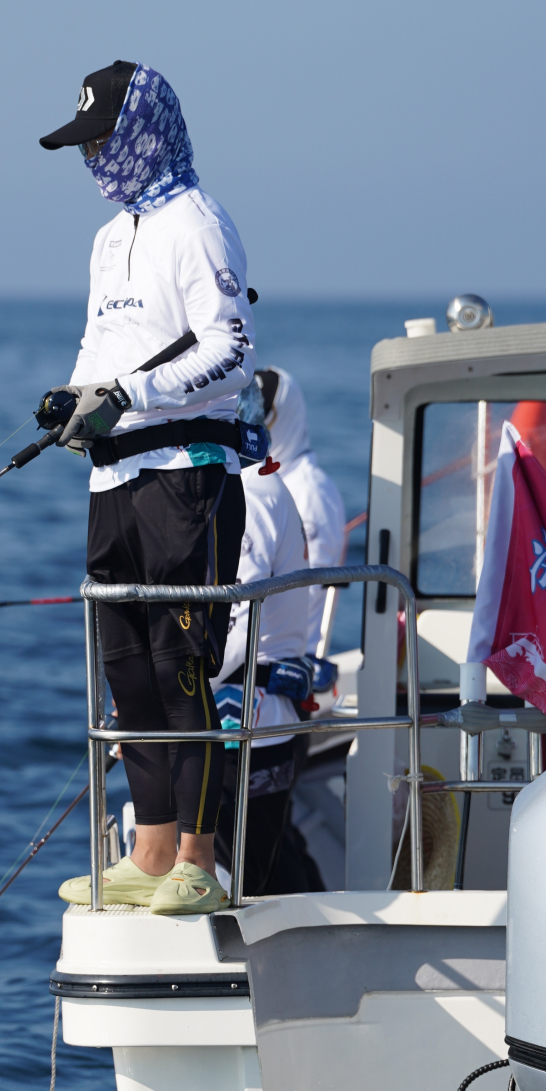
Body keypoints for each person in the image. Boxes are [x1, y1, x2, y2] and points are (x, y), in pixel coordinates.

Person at [40, 60, 255, 915]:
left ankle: (199, 861)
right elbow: (102, 351)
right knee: (124, 665)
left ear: (141, 132)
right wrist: (73, 402)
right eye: (83, 145)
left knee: (182, 662)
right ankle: (151, 848)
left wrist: (134, 395)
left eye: (100, 140)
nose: (91, 157)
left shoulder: (198, 223)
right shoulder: (109, 238)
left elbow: (230, 346)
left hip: (186, 480)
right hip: (115, 476)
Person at [209, 372, 322, 895]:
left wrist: (168, 691)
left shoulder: (250, 497)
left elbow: (236, 618)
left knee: (243, 882)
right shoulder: (267, 485)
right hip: (261, 719)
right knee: (263, 871)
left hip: (244, 724)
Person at [260, 367, 346, 655]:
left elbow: (303, 600)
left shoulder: (309, 493)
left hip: (282, 661)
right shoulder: (271, 482)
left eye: (259, 416)